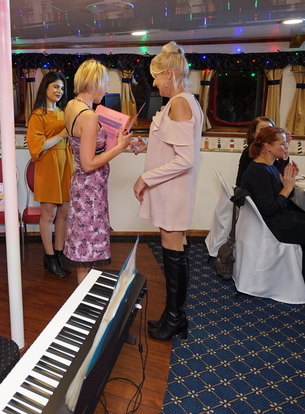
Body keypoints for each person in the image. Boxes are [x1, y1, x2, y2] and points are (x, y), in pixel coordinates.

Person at [131, 41, 202, 341]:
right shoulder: (184, 101)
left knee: (173, 250)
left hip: (172, 190)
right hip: (173, 189)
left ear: (169, 74)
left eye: (157, 77)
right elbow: (174, 144)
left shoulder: (180, 103)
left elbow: (185, 159)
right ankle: (175, 316)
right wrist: (148, 144)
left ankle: (174, 318)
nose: (154, 84)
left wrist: (144, 178)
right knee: (176, 248)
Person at [63, 60, 131, 284]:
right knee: (87, 251)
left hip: (82, 187)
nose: (107, 90)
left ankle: (84, 296)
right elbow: (89, 163)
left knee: (84, 247)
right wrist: (120, 147)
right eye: (106, 83)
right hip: (90, 191)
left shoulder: (72, 105)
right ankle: (84, 299)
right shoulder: (89, 116)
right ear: (94, 82)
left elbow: (87, 148)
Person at [240, 126, 305, 294]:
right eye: (282, 144)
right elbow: (269, 208)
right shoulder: (259, 172)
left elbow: (283, 196)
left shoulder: (269, 166)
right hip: (273, 224)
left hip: (278, 217)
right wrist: (287, 188)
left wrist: (288, 182)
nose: (286, 147)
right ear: (267, 146)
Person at [25, 72, 74, 277]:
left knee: (64, 212)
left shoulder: (64, 113)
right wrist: (61, 135)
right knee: (48, 215)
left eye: (61, 88)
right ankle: (49, 256)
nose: (59, 91)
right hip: (47, 166)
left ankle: (60, 253)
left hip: (66, 164)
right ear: (45, 88)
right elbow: (37, 146)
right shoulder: (38, 115)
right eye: (55, 86)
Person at [235, 116, 289, 187]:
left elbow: (278, 179)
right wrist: (288, 188)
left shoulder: (270, 159)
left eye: (269, 129)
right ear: (253, 134)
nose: (266, 133)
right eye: (262, 129)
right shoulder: (252, 155)